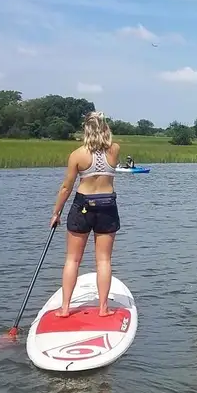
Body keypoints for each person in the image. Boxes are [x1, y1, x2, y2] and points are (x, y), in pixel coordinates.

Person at [49, 111, 122, 318]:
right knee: (104, 260)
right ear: (105, 128)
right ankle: (103, 308)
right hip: (107, 206)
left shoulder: (77, 154)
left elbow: (66, 188)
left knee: (73, 260)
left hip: (82, 206)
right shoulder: (114, 150)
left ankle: (65, 309)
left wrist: (56, 213)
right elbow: (108, 142)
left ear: (85, 130)